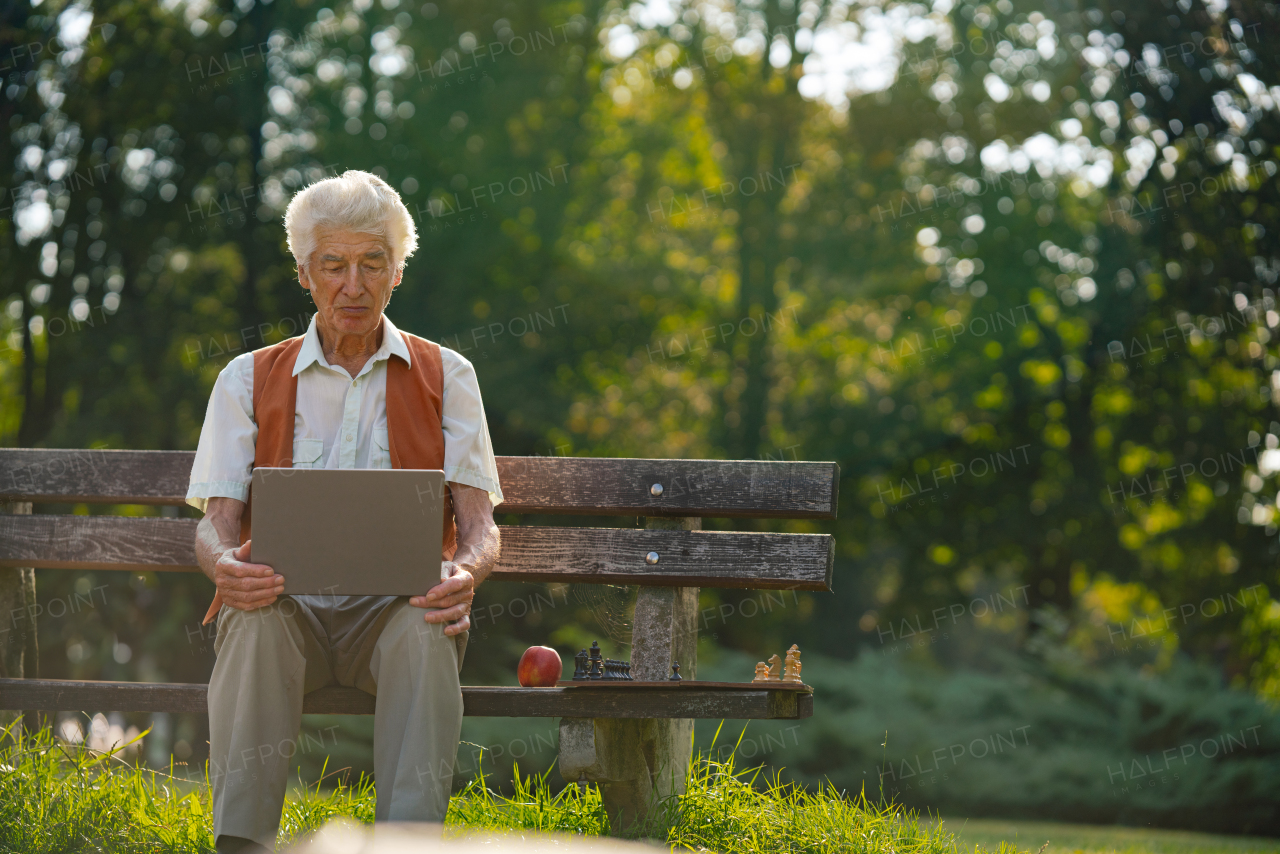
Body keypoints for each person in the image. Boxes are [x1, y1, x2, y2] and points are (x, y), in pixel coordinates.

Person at [186, 170, 503, 853]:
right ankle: (240, 844)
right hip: (288, 611)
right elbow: (215, 524)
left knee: (427, 627)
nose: (352, 286)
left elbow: (480, 528)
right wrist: (223, 568)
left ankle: (407, 844)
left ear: (397, 272)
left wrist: (466, 574)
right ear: (305, 273)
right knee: (252, 613)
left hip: (392, 616)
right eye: (333, 266)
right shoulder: (245, 379)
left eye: (372, 264)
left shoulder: (449, 375)